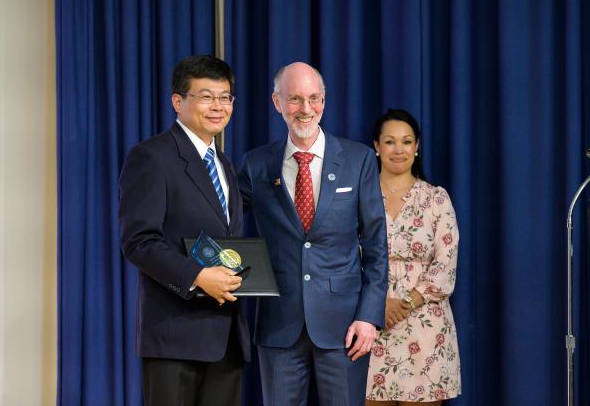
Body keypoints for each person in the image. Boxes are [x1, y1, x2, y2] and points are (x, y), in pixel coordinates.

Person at [238, 62, 389, 406]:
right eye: (294, 99)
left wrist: (368, 316)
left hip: (345, 328)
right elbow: (223, 220)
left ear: (324, 100)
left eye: (314, 98)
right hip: (279, 326)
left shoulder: (358, 159)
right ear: (277, 103)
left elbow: (377, 245)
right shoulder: (256, 164)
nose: (305, 109)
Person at [118, 55, 250, 406]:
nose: (218, 107)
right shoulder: (151, 157)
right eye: (206, 96)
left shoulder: (224, 164)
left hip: (226, 338)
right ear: (178, 101)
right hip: (174, 336)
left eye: (225, 98)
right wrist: (197, 276)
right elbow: (139, 241)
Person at [365, 109, 461, 405]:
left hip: (425, 327)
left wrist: (405, 303)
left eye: (406, 142)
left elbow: (446, 264)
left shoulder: (436, 198)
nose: (399, 150)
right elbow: (341, 256)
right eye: (390, 142)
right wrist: (375, 304)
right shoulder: (358, 197)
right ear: (376, 146)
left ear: (417, 147)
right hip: (369, 323)